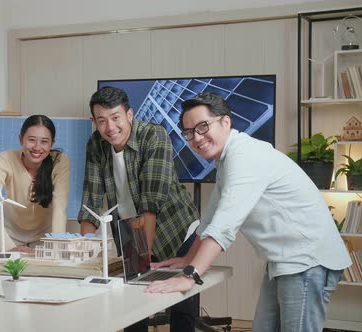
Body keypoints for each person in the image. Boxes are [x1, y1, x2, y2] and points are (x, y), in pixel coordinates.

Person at [146, 92, 352, 331]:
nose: (196, 138)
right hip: (284, 260)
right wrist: (186, 259)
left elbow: (224, 225)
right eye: (189, 133)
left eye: (202, 127)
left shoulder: (245, 156)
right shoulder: (227, 161)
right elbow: (209, 221)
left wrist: (189, 275)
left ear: (226, 121)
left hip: (307, 260)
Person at [79, 86, 199, 331]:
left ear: (129, 115)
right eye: (101, 121)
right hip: (131, 230)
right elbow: (90, 200)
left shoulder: (154, 135)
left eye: (115, 118)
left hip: (175, 228)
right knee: (131, 308)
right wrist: (83, 255)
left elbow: (150, 203)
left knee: (181, 306)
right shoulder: (95, 145)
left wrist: (143, 260)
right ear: (94, 121)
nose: (110, 128)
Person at [0, 115, 70, 252]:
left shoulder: (60, 162)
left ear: (52, 143)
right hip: (9, 233)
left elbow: (60, 208)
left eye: (44, 141)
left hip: (44, 235)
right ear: (21, 139)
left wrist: (57, 246)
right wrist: (10, 248)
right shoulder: (5, 159)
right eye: (32, 140)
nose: (37, 147)